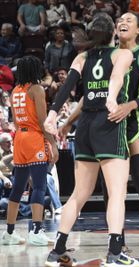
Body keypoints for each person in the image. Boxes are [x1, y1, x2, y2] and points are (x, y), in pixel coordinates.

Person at [59, 12, 139, 266]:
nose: (122, 23)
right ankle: (117, 244)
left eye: (128, 21)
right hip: (106, 123)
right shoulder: (105, 53)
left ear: (138, 30)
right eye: (119, 20)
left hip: (131, 122)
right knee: (109, 190)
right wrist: (68, 121)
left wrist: (129, 106)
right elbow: (89, 95)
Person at [43, 14, 139, 267]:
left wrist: (54, 115)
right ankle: (115, 252)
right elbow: (117, 77)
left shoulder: (82, 57)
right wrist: (111, 97)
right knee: (117, 193)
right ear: (113, 34)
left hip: (85, 126)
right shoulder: (121, 54)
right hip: (108, 124)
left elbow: (67, 89)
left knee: (79, 194)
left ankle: (57, 250)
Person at [1, 55, 58, 246]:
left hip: (20, 139)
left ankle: (9, 232)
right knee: (39, 186)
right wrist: (52, 144)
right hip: (34, 138)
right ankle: (36, 231)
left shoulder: (15, 90)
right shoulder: (36, 89)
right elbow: (43, 122)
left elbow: (16, 122)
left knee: (18, 187)